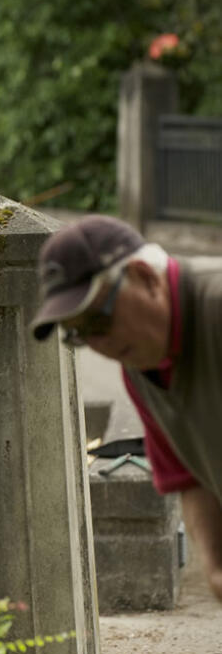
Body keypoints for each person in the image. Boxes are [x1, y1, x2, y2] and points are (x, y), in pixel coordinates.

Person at [31, 215, 222, 604]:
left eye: (98, 319)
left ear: (144, 277)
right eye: (77, 332)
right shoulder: (141, 368)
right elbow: (186, 474)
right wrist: (215, 566)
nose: (97, 343)